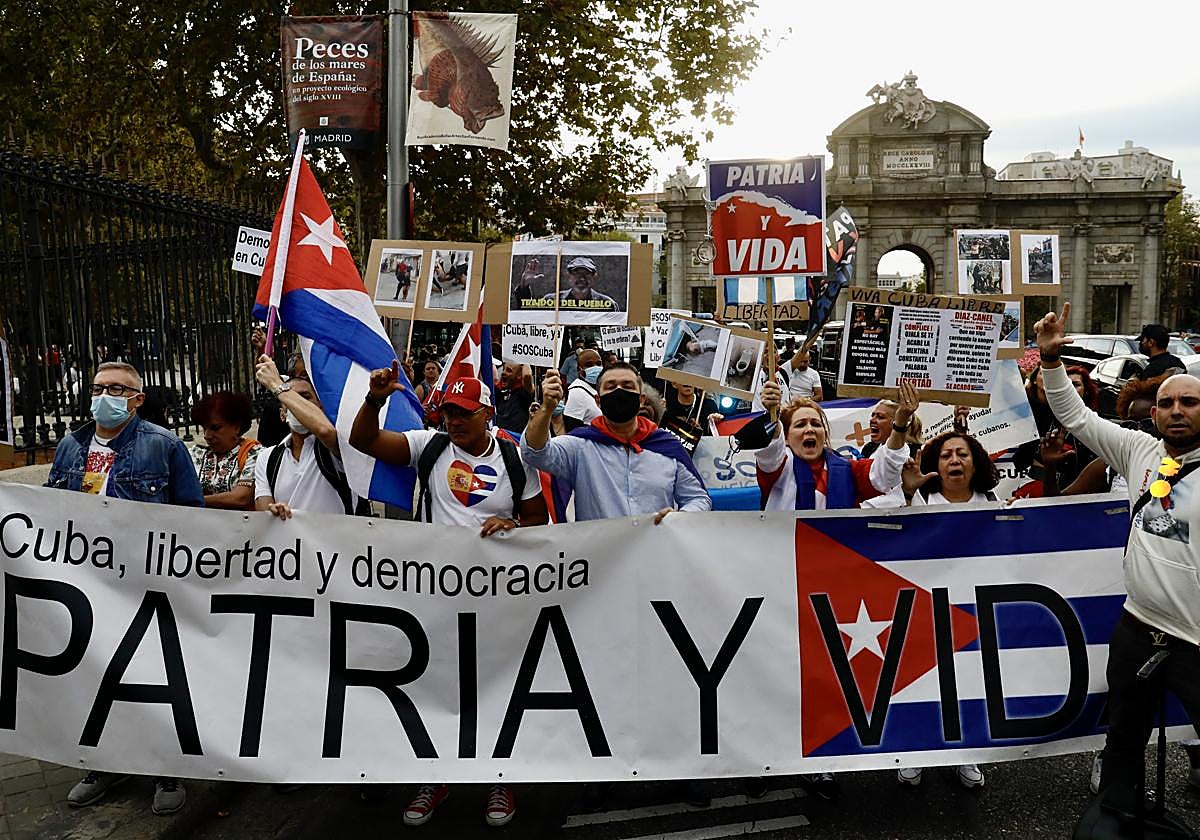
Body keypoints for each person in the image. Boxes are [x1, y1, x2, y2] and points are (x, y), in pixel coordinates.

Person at [349, 370, 547, 827]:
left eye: (463, 413)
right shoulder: (429, 445)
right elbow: (365, 440)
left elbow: (538, 519)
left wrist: (514, 527)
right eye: (448, 412)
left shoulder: (516, 459)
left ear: (488, 414)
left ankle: (500, 778)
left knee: (495, 688)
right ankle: (435, 777)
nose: (453, 421)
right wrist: (374, 401)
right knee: (436, 687)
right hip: (435, 594)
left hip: (495, 596)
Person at [1035, 302, 1200, 815]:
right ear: (1153, 415)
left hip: (1197, 638)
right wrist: (1050, 361)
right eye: (1168, 404)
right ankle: (1115, 819)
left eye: (1190, 403)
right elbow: (1075, 417)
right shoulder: (1138, 451)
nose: (1177, 411)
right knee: (1123, 737)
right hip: (1139, 626)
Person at [50, 362, 201, 816]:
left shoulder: (165, 446)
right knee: (96, 675)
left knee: (154, 678)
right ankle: (104, 764)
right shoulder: (69, 446)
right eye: (99, 387)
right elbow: (48, 512)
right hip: (87, 588)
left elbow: (193, 519)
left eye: (118, 389)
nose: (106, 395)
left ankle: (165, 768)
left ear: (137, 398)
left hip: (147, 587)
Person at [523, 364, 711, 522]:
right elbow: (535, 453)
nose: (619, 391)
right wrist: (547, 408)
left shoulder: (667, 446)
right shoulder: (580, 445)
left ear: (641, 399)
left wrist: (680, 517)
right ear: (598, 401)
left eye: (627, 386)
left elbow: (698, 498)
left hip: (656, 555)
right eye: (610, 386)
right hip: (601, 559)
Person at [755, 379, 917, 511]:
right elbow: (771, 448)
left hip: (835, 549)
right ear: (787, 438)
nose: (810, 429)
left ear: (824, 433)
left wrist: (900, 423)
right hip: (787, 549)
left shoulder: (849, 469)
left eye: (816, 424)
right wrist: (771, 414)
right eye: (800, 425)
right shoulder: (780, 467)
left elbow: (884, 474)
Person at [252, 357, 366, 519]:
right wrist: (274, 510)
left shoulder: (337, 446)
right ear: (282, 414)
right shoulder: (268, 457)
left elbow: (324, 431)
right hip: (290, 544)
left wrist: (276, 385)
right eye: (291, 400)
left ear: (320, 407)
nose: (297, 406)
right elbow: (263, 509)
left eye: (305, 397)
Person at [188, 391, 261, 510]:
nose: (207, 435)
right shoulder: (196, 453)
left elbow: (241, 497)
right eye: (204, 428)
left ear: (237, 427)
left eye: (215, 428)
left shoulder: (253, 453)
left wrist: (194, 500)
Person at [550, 256, 620, 310]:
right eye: (577, 273)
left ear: (594, 276)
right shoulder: (550, 301)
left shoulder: (609, 305)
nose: (582, 278)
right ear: (568, 275)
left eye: (586, 273)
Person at [563, 348, 603, 432]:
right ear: (579, 370)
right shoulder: (577, 392)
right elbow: (572, 428)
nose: (595, 367)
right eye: (589, 365)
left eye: (599, 364)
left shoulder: (600, 387)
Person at [494, 362, 534, 435]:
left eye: (509, 370)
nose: (503, 373)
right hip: (500, 440)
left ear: (519, 375)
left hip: (516, 442)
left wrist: (524, 357)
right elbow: (494, 379)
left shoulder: (523, 392)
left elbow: (527, 376)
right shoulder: (500, 391)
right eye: (503, 369)